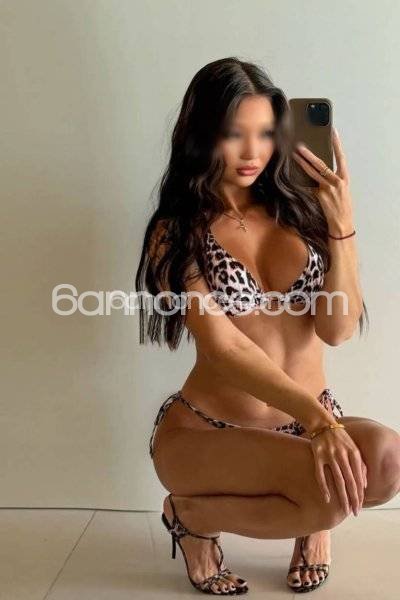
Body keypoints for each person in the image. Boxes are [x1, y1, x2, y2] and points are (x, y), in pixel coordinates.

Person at [135, 57, 400, 595]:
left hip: (307, 424)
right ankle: (192, 517)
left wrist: (342, 223)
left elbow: (337, 329)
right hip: (210, 433)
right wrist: (320, 423)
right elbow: (224, 345)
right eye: (235, 134)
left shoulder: (299, 213)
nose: (253, 152)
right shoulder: (177, 231)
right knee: (327, 499)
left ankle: (309, 515)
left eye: (264, 133)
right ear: (202, 135)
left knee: (388, 460)